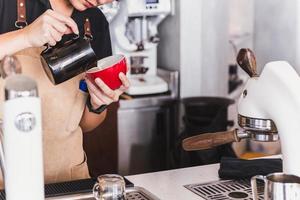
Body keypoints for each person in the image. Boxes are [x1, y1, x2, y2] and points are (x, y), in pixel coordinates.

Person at [0, 0, 130, 187]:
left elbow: (85, 125)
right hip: (7, 182)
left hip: (68, 179)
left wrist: (98, 104)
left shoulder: (96, 21)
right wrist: (26, 36)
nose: (102, 0)